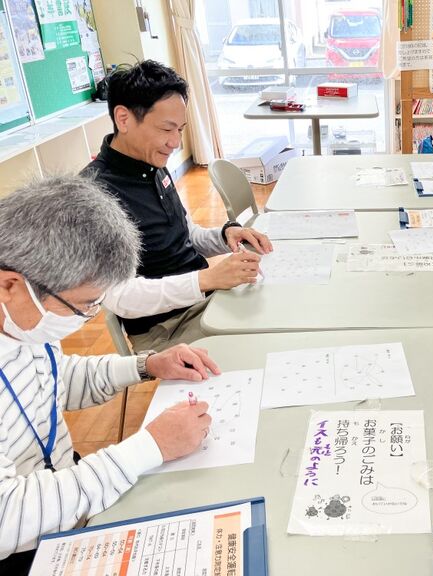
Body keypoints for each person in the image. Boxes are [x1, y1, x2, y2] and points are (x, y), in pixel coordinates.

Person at [0, 175, 220, 572]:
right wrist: (149, 447)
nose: (89, 317)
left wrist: (146, 365)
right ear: (11, 285)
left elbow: (55, 380)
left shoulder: (23, 324)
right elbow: (7, 520)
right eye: (84, 304)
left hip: (65, 496)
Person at [82, 60, 273, 352]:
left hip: (204, 301)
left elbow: (184, 235)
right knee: (269, 343)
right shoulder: (92, 195)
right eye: (166, 129)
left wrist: (225, 236)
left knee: (280, 307)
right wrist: (206, 279)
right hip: (166, 330)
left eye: (180, 129)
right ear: (123, 118)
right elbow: (121, 297)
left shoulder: (152, 162)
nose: (175, 142)